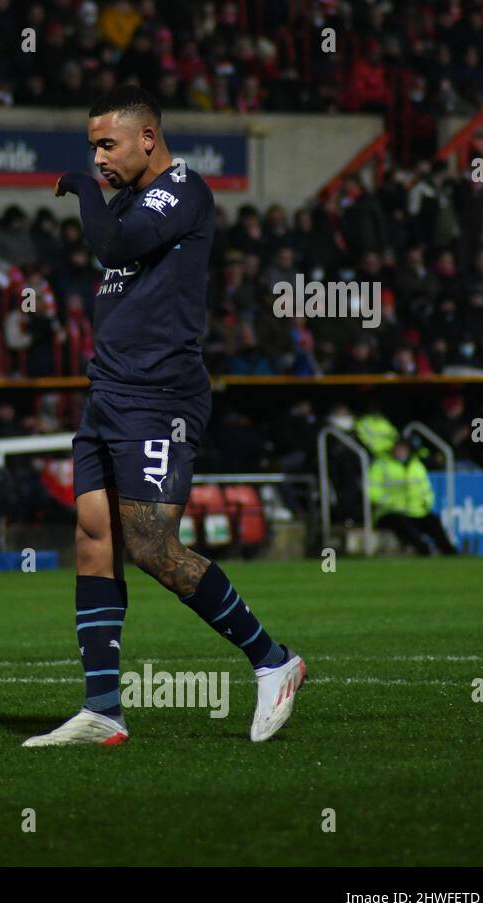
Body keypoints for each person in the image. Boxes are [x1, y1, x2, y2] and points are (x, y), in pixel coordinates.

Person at [31, 86, 306, 748]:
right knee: (94, 537)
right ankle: (103, 708)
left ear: (147, 138)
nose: (97, 158)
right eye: (90, 148)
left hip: (160, 398)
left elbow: (114, 247)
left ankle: (274, 660)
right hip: (110, 392)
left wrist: (81, 190)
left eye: (106, 145)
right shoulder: (127, 199)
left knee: (153, 548)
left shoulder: (181, 189)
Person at [369, 438, 459, 555]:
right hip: (389, 512)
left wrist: (426, 503)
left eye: (403, 449)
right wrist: (392, 502)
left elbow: (427, 490)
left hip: (415, 511)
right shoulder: (381, 466)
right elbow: (372, 491)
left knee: (433, 522)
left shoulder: (416, 466)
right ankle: (423, 549)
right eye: (398, 448)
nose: (400, 451)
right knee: (403, 524)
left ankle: (449, 552)